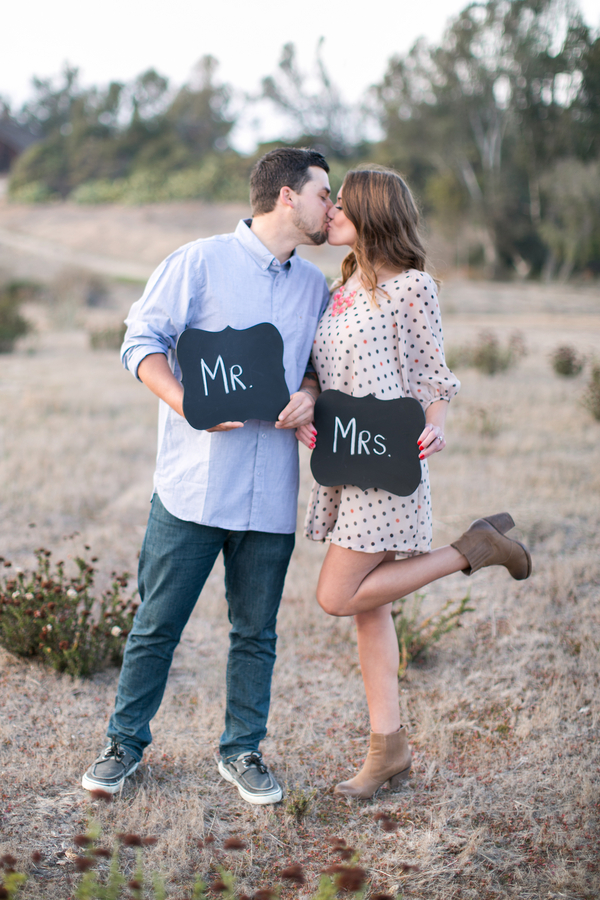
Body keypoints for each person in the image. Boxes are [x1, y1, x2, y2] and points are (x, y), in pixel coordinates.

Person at [81, 147, 332, 805]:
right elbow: (140, 343)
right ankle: (122, 745)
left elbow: (316, 368)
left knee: (257, 634)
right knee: (157, 624)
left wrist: (309, 391)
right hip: (193, 488)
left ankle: (242, 750)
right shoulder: (198, 262)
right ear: (286, 196)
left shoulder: (315, 288)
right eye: (323, 195)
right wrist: (188, 401)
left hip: (271, 495)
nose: (331, 208)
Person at [299, 166, 532, 800]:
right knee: (368, 613)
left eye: (342, 206)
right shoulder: (338, 288)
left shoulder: (413, 288)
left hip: (388, 463)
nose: (332, 213)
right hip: (345, 462)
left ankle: (470, 549)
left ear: (373, 213)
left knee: (338, 596)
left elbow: (432, 370)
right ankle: (388, 751)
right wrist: (307, 406)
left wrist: (437, 421)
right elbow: (321, 371)